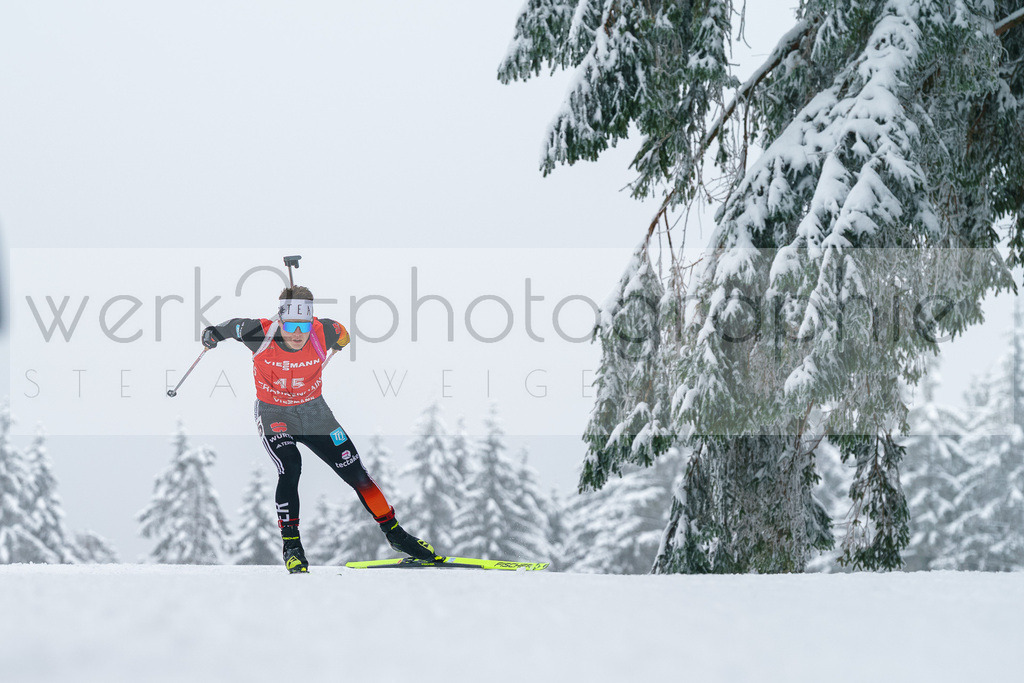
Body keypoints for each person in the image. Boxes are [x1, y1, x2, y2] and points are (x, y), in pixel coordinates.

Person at [201, 286, 437, 573]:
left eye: (303, 326)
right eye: (291, 325)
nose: (297, 333)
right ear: (279, 319)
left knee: (357, 473)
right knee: (290, 465)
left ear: (311, 321)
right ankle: (292, 547)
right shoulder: (259, 332)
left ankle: (396, 535)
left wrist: (341, 343)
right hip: (274, 413)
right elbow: (228, 327)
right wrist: (212, 335)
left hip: (315, 414)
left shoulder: (323, 331)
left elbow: (343, 334)